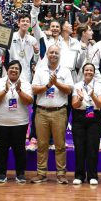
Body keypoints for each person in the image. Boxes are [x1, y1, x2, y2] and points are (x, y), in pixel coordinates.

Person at [30, 45, 74, 184]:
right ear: (47, 54)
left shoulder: (66, 71)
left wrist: (56, 83)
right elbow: (35, 89)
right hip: (41, 111)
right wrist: (48, 86)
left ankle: (61, 174)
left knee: (60, 145)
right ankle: (41, 173)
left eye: (56, 52)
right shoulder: (40, 70)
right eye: (51, 52)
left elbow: (69, 90)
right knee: (42, 144)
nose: (53, 54)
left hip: (59, 112)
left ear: (59, 54)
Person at [0, 61, 33, 184]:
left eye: (17, 68)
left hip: (20, 122)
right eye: (11, 68)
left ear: (20, 71)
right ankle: (2, 174)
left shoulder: (25, 84)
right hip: (0, 122)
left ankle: (20, 174)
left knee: (19, 150)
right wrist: (4, 91)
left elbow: (29, 101)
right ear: (7, 70)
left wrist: (19, 91)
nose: (14, 70)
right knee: (1, 150)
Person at [71, 63, 101, 185]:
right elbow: (74, 105)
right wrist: (80, 98)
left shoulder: (99, 86)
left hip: (94, 117)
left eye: (91, 70)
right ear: (83, 72)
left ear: (94, 72)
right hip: (79, 117)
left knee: (92, 147)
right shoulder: (77, 86)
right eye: (86, 70)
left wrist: (92, 95)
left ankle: (92, 175)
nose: (88, 72)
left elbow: (100, 104)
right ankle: (79, 175)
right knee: (79, 147)